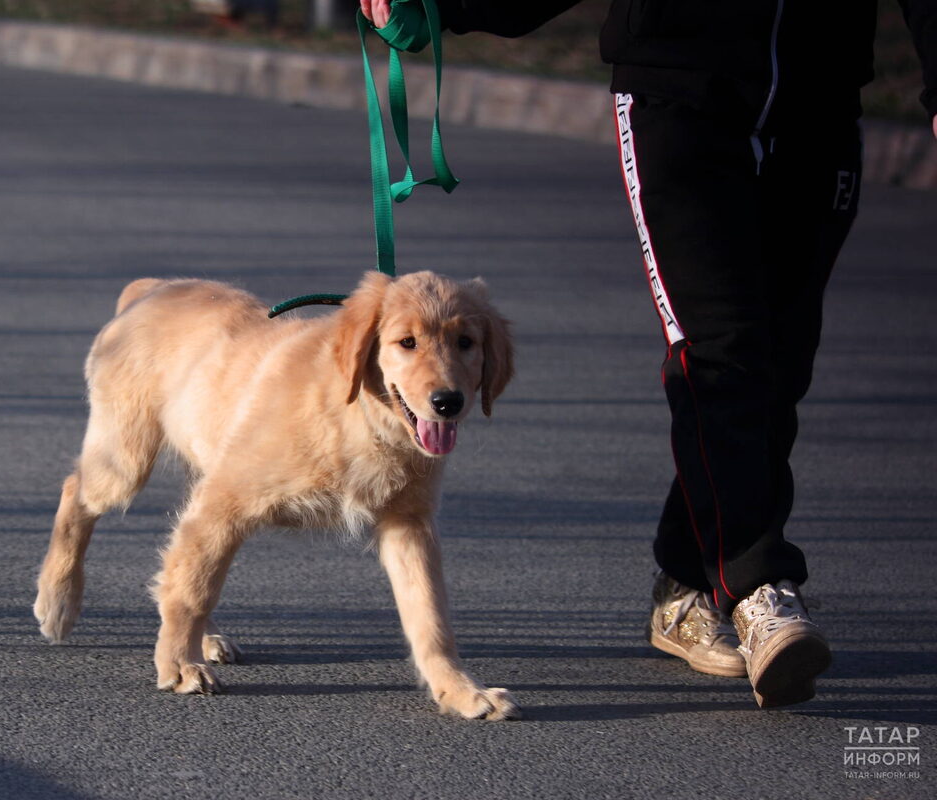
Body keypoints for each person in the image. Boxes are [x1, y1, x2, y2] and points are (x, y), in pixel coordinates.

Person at [361, 0, 937, 708]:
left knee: (783, 361)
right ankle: (759, 589)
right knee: (721, 347)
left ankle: (687, 580)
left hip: (820, 98)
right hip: (680, 90)